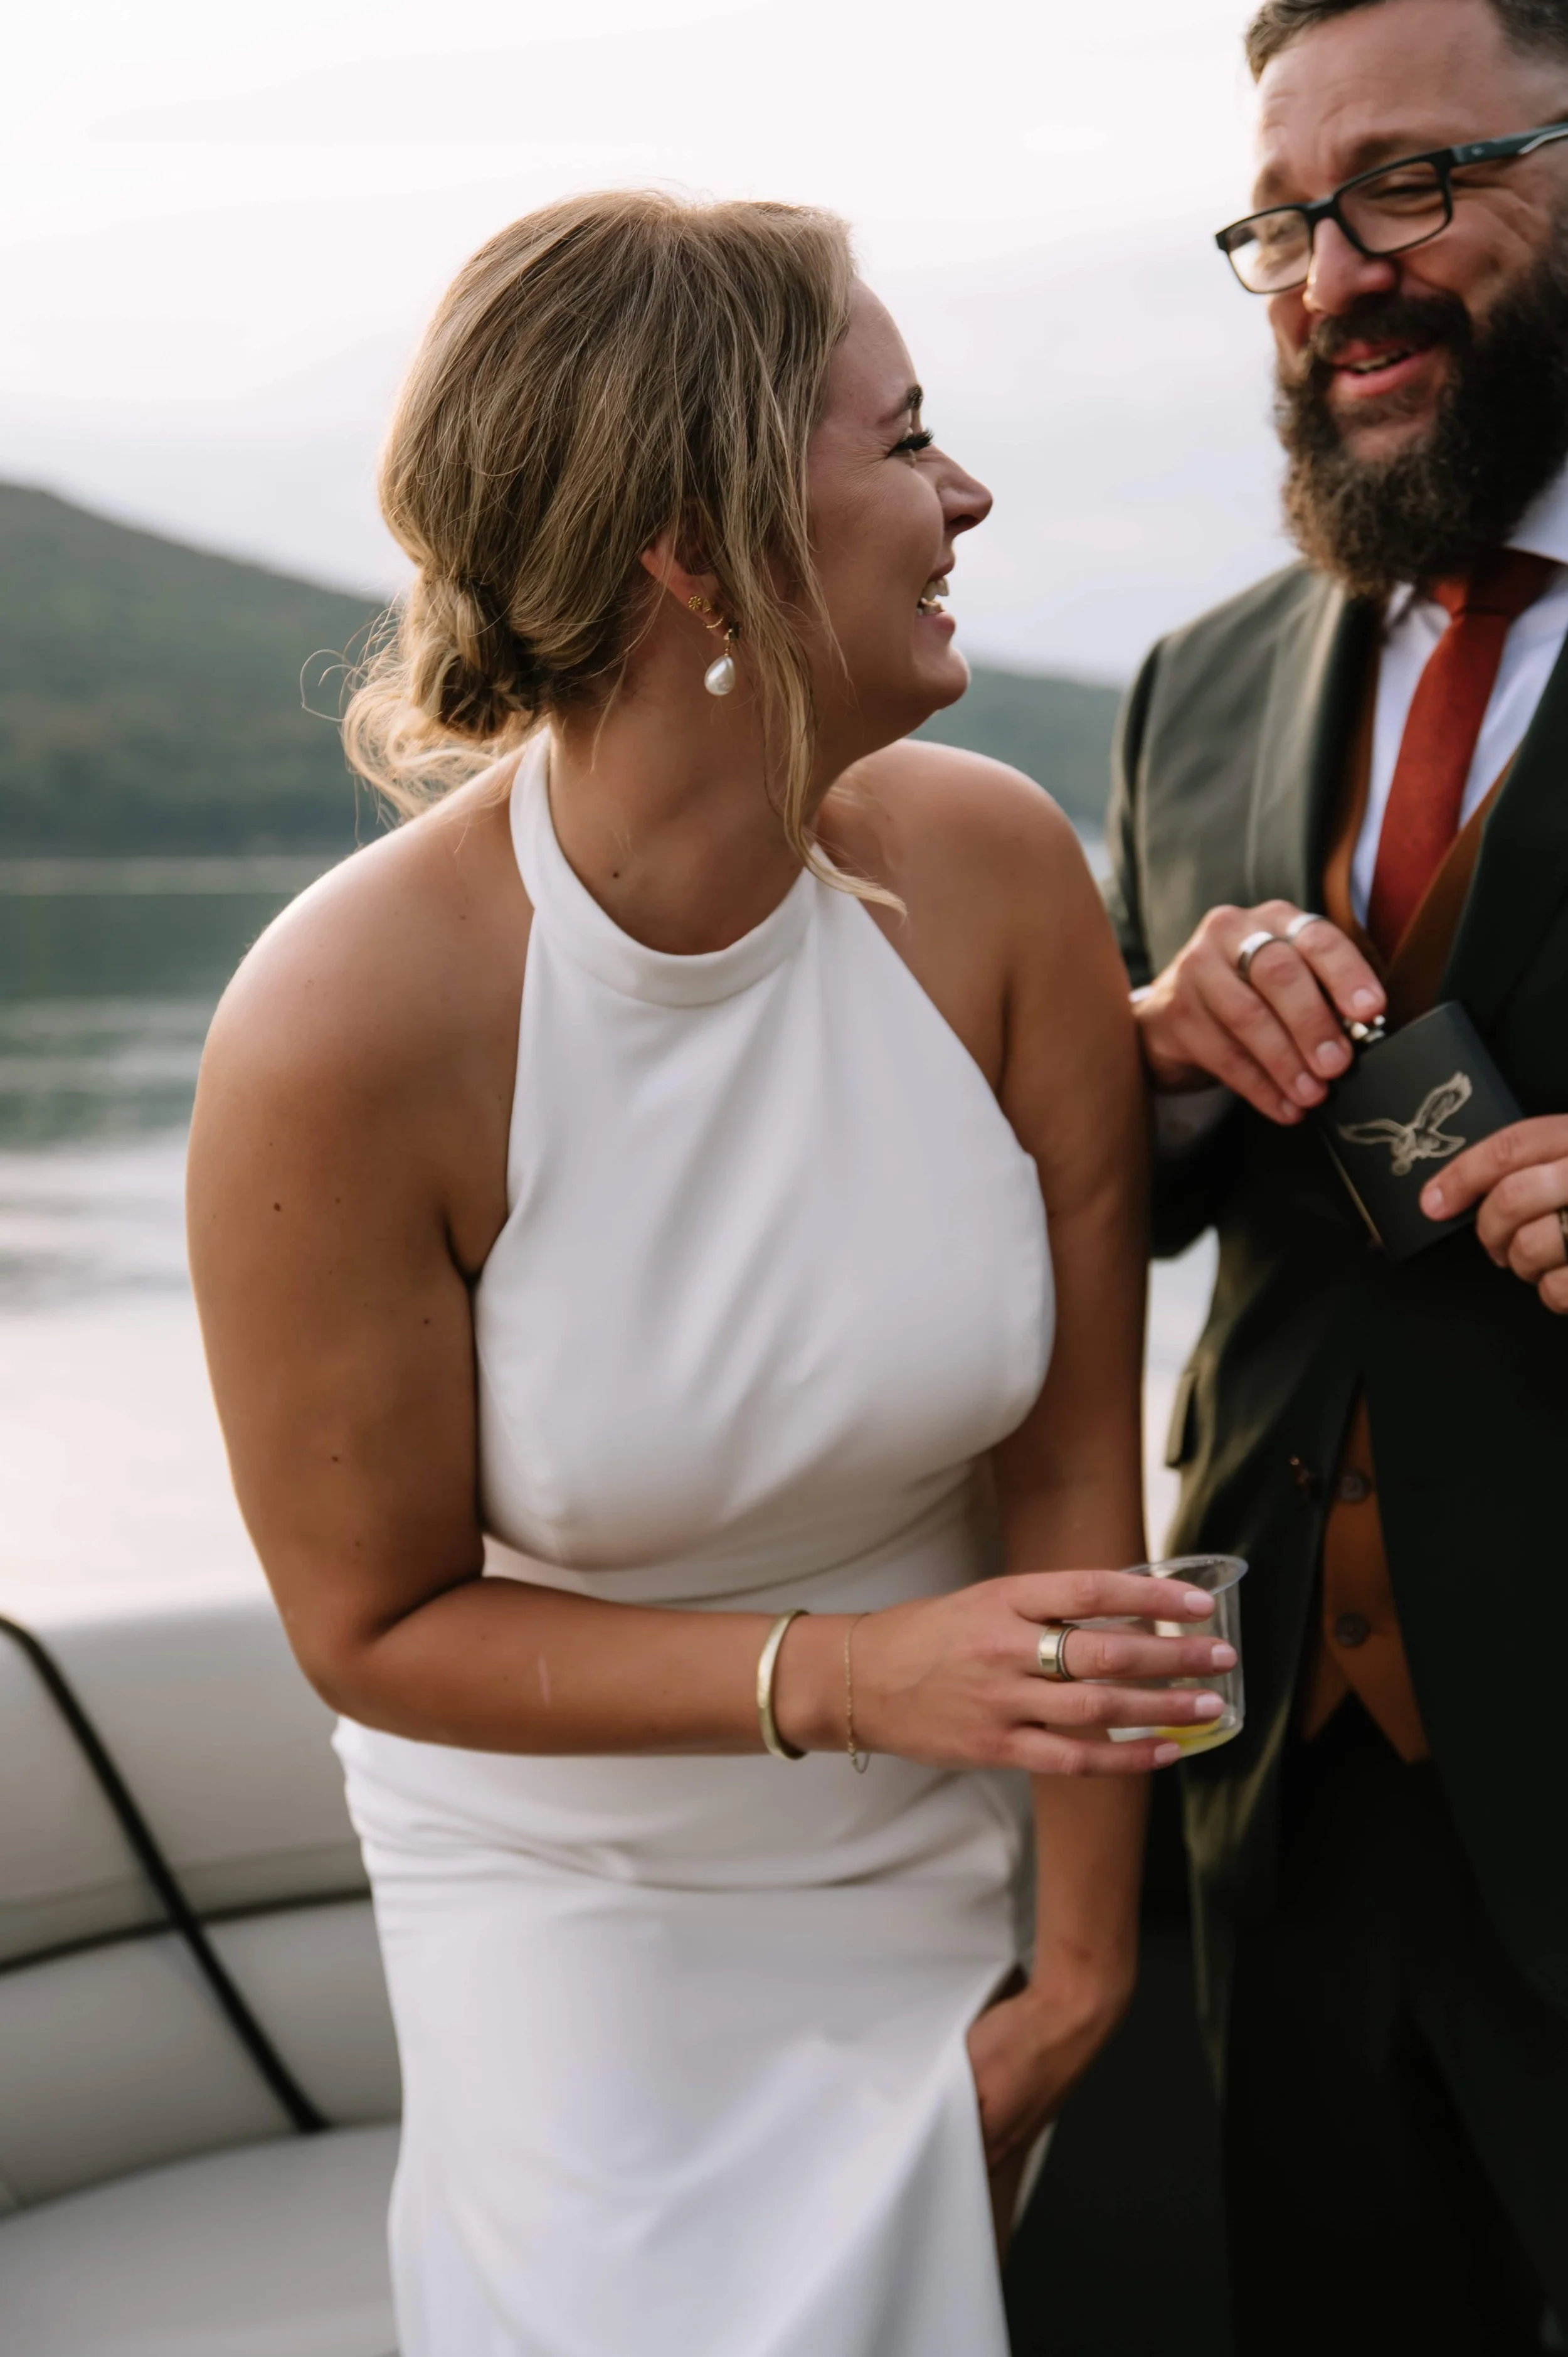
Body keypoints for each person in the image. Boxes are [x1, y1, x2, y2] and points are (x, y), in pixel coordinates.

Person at [186, 192, 1227, 2357]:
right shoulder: (348, 1025)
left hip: (968, 1857)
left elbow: (1065, 1484)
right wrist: (853, 1677)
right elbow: (369, 1623)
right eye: (904, 441)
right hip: (583, 1914)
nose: (967, 495)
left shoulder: (1002, 872)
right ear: (698, 542)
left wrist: (1081, 1979)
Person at [1106, 1, 1568, 2349]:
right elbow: (1135, 1201)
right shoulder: (1187, 685)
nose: (1329, 275)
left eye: (1409, 183)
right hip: (1268, 1787)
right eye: (1282, 219)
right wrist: (1152, 1054)